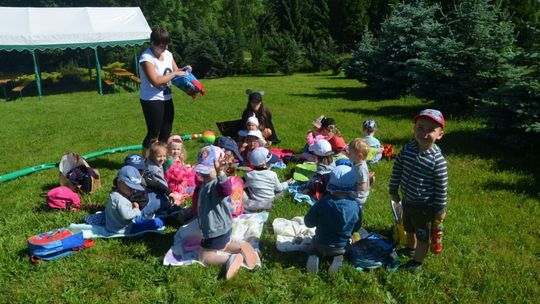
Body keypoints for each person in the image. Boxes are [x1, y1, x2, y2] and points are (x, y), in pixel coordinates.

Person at [389, 109, 448, 272]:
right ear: (414, 129)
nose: (424, 133)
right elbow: (397, 169)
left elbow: (441, 188)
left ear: (440, 134)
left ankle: (417, 263)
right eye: (420, 128)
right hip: (407, 200)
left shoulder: (438, 160)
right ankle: (410, 248)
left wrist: (440, 209)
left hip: (424, 206)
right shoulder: (408, 149)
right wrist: (393, 189)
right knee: (409, 228)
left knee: (423, 235)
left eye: (430, 130)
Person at [194, 145, 260, 280]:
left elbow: (226, 190)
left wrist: (221, 174)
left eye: (207, 171)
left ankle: (230, 259)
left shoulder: (216, 184)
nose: (203, 174)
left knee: (204, 255)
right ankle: (241, 247)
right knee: (223, 244)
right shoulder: (207, 181)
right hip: (223, 228)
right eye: (202, 171)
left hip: (215, 229)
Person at [139, 27, 192, 157]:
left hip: (166, 97)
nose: (166, 48)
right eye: (162, 46)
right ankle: (145, 161)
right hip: (151, 99)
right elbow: (156, 81)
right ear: (153, 43)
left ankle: (160, 158)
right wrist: (175, 73)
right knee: (153, 133)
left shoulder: (168, 55)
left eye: (167, 45)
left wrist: (185, 70)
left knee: (166, 131)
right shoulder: (146, 58)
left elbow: (175, 72)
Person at [304, 165, 361, 275]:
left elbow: (308, 222)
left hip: (320, 242)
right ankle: (339, 258)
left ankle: (314, 254)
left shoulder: (322, 202)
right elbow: (356, 227)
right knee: (343, 249)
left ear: (330, 184)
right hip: (341, 246)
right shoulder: (355, 206)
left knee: (314, 245)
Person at [104, 166, 163, 234]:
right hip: (124, 229)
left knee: (144, 220)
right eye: (130, 187)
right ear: (119, 183)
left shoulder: (114, 194)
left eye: (135, 188)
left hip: (112, 226)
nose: (133, 191)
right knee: (158, 222)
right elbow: (127, 216)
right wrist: (136, 209)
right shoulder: (121, 200)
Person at [242, 147, 290, 212]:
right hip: (270, 202)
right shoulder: (272, 174)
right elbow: (279, 188)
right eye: (269, 162)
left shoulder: (248, 175)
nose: (271, 164)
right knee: (281, 192)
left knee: (245, 190)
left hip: (256, 202)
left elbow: (240, 185)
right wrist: (287, 183)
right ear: (264, 165)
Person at [142, 141, 183, 217]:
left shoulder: (150, 162)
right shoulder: (154, 170)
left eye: (164, 156)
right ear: (151, 155)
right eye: (159, 156)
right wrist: (169, 194)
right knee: (165, 205)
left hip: (150, 192)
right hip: (157, 193)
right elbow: (160, 184)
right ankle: (165, 214)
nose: (162, 159)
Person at [164, 135, 195, 204]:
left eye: (178, 149)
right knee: (196, 188)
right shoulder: (169, 161)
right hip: (175, 188)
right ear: (168, 149)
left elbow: (180, 168)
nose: (176, 151)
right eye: (173, 149)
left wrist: (185, 166)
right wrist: (188, 170)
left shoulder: (176, 159)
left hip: (180, 185)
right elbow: (179, 176)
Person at [347, 138, 372, 211]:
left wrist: (350, 186)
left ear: (360, 156)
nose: (348, 154)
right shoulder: (358, 162)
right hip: (357, 194)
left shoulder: (360, 169)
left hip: (358, 197)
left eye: (350, 153)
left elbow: (363, 187)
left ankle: (357, 212)